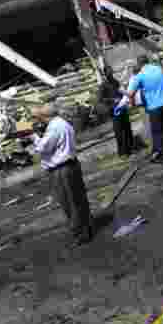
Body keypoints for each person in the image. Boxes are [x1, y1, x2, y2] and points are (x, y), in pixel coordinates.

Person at [29, 104, 93, 244]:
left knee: (69, 201)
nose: (39, 120)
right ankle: (86, 226)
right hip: (71, 165)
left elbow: (43, 147)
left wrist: (33, 137)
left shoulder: (54, 128)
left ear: (46, 116)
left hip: (61, 169)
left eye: (40, 117)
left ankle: (80, 232)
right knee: (78, 198)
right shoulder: (63, 123)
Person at [97, 66, 135, 158]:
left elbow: (122, 92)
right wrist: (112, 100)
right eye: (109, 72)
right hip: (114, 110)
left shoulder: (116, 82)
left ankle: (130, 150)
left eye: (111, 72)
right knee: (119, 132)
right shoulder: (103, 85)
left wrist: (125, 99)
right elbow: (100, 99)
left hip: (122, 108)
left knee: (127, 129)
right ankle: (122, 153)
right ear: (105, 74)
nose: (111, 74)